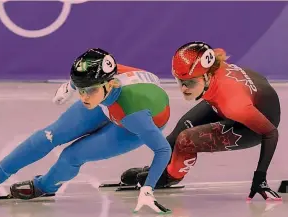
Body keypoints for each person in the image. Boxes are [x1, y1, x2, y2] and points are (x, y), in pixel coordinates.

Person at [0, 48, 172, 213]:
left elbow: (163, 150)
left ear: (111, 84)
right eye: (81, 89)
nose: (84, 96)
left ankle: (45, 186)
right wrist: (70, 87)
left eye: (89, 90)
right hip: (110, 102)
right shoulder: (100, 80)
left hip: (131, 123)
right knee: (52, 134)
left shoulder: (134, 115)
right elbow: (85, 78)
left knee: (73, 155)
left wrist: (147, 189)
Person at [121, 41, 282, 201]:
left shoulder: (234, 104)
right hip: (234, 98)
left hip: (253, 125)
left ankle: (171, 177)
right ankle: (158, 169)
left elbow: (271, 133)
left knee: (186, 140)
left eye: (190, 82)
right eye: (179, 81)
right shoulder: (211, 63)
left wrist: (260, 178)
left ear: (207, 76)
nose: (183, 88)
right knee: (176, 134)